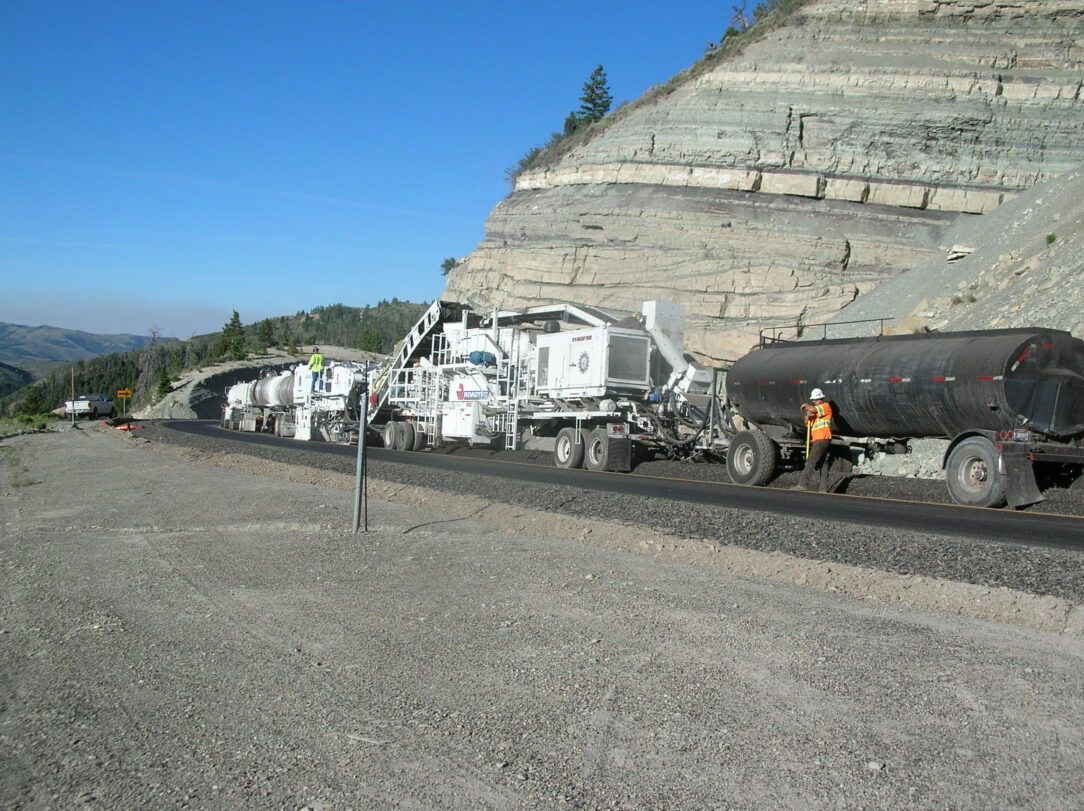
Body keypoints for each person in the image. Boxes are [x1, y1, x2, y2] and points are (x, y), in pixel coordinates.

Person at [794, 387, 833, 491]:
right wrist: (807, 417)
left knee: (811, 461)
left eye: (815, 400)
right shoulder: (816, 412)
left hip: (822, 439)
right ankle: (823, 488)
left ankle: (803, 484)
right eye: (813, 400)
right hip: (821, 440)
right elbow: (808, 423)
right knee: (823, 464)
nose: (814, 402)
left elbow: (812, 409)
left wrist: (806, 406)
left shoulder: (825, 406)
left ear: (821, 399)